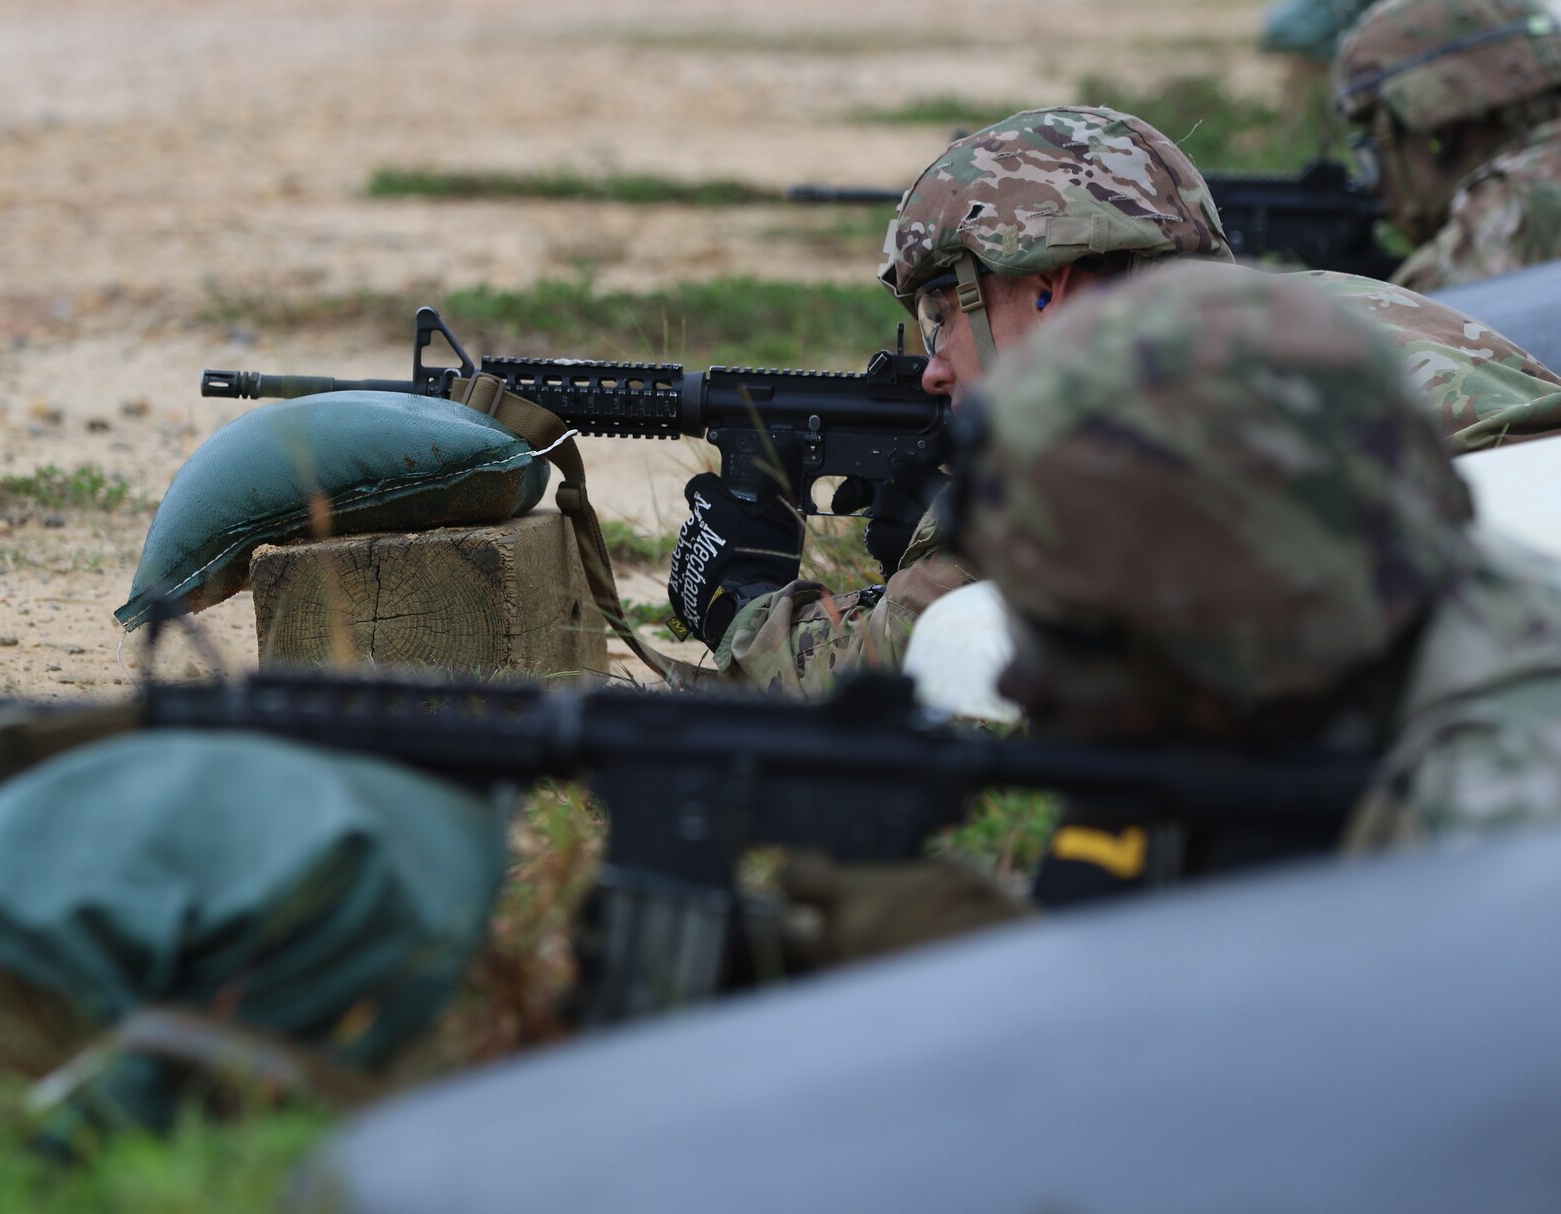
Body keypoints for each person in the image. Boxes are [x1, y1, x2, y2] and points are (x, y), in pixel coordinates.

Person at [669, 104, 1561, 695]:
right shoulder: (1348, 304)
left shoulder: (1105, 418)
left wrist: (741, 598)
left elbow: (872, 677)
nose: (934, 369)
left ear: (1046, 286)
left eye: (943, 312)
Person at [957, 262, 1561, 899]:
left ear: (1236, 636)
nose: (1015, 683)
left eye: (1076, 639)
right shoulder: (1362, 609)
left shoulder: (1504, 817)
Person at [1334, 0, 1561, 290]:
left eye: (1375, 151)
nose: (1377, 186)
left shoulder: (1518, 204)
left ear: (1440, 138)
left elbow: (1405, 314)